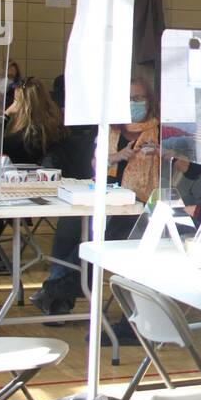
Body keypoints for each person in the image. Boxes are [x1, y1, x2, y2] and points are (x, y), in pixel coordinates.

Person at [31, 76, 163, 325]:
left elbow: (174, 166)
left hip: (139, 203)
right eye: (128, 99)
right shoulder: (110, 129)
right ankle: (59, 296)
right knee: (69, 227)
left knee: (105, 238)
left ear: (149, 101)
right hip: (106, 196)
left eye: (138, 98)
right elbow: (95, 163)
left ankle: (55, 293)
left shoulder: (160, 132)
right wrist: (118, 155)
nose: (133, 103)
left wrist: (162, 152)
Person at [0, 76, 66, 165]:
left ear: (26, 105)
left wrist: (5, 114)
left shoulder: (32, 133)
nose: (14, 105)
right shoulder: (49, 125)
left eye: (16, 100)